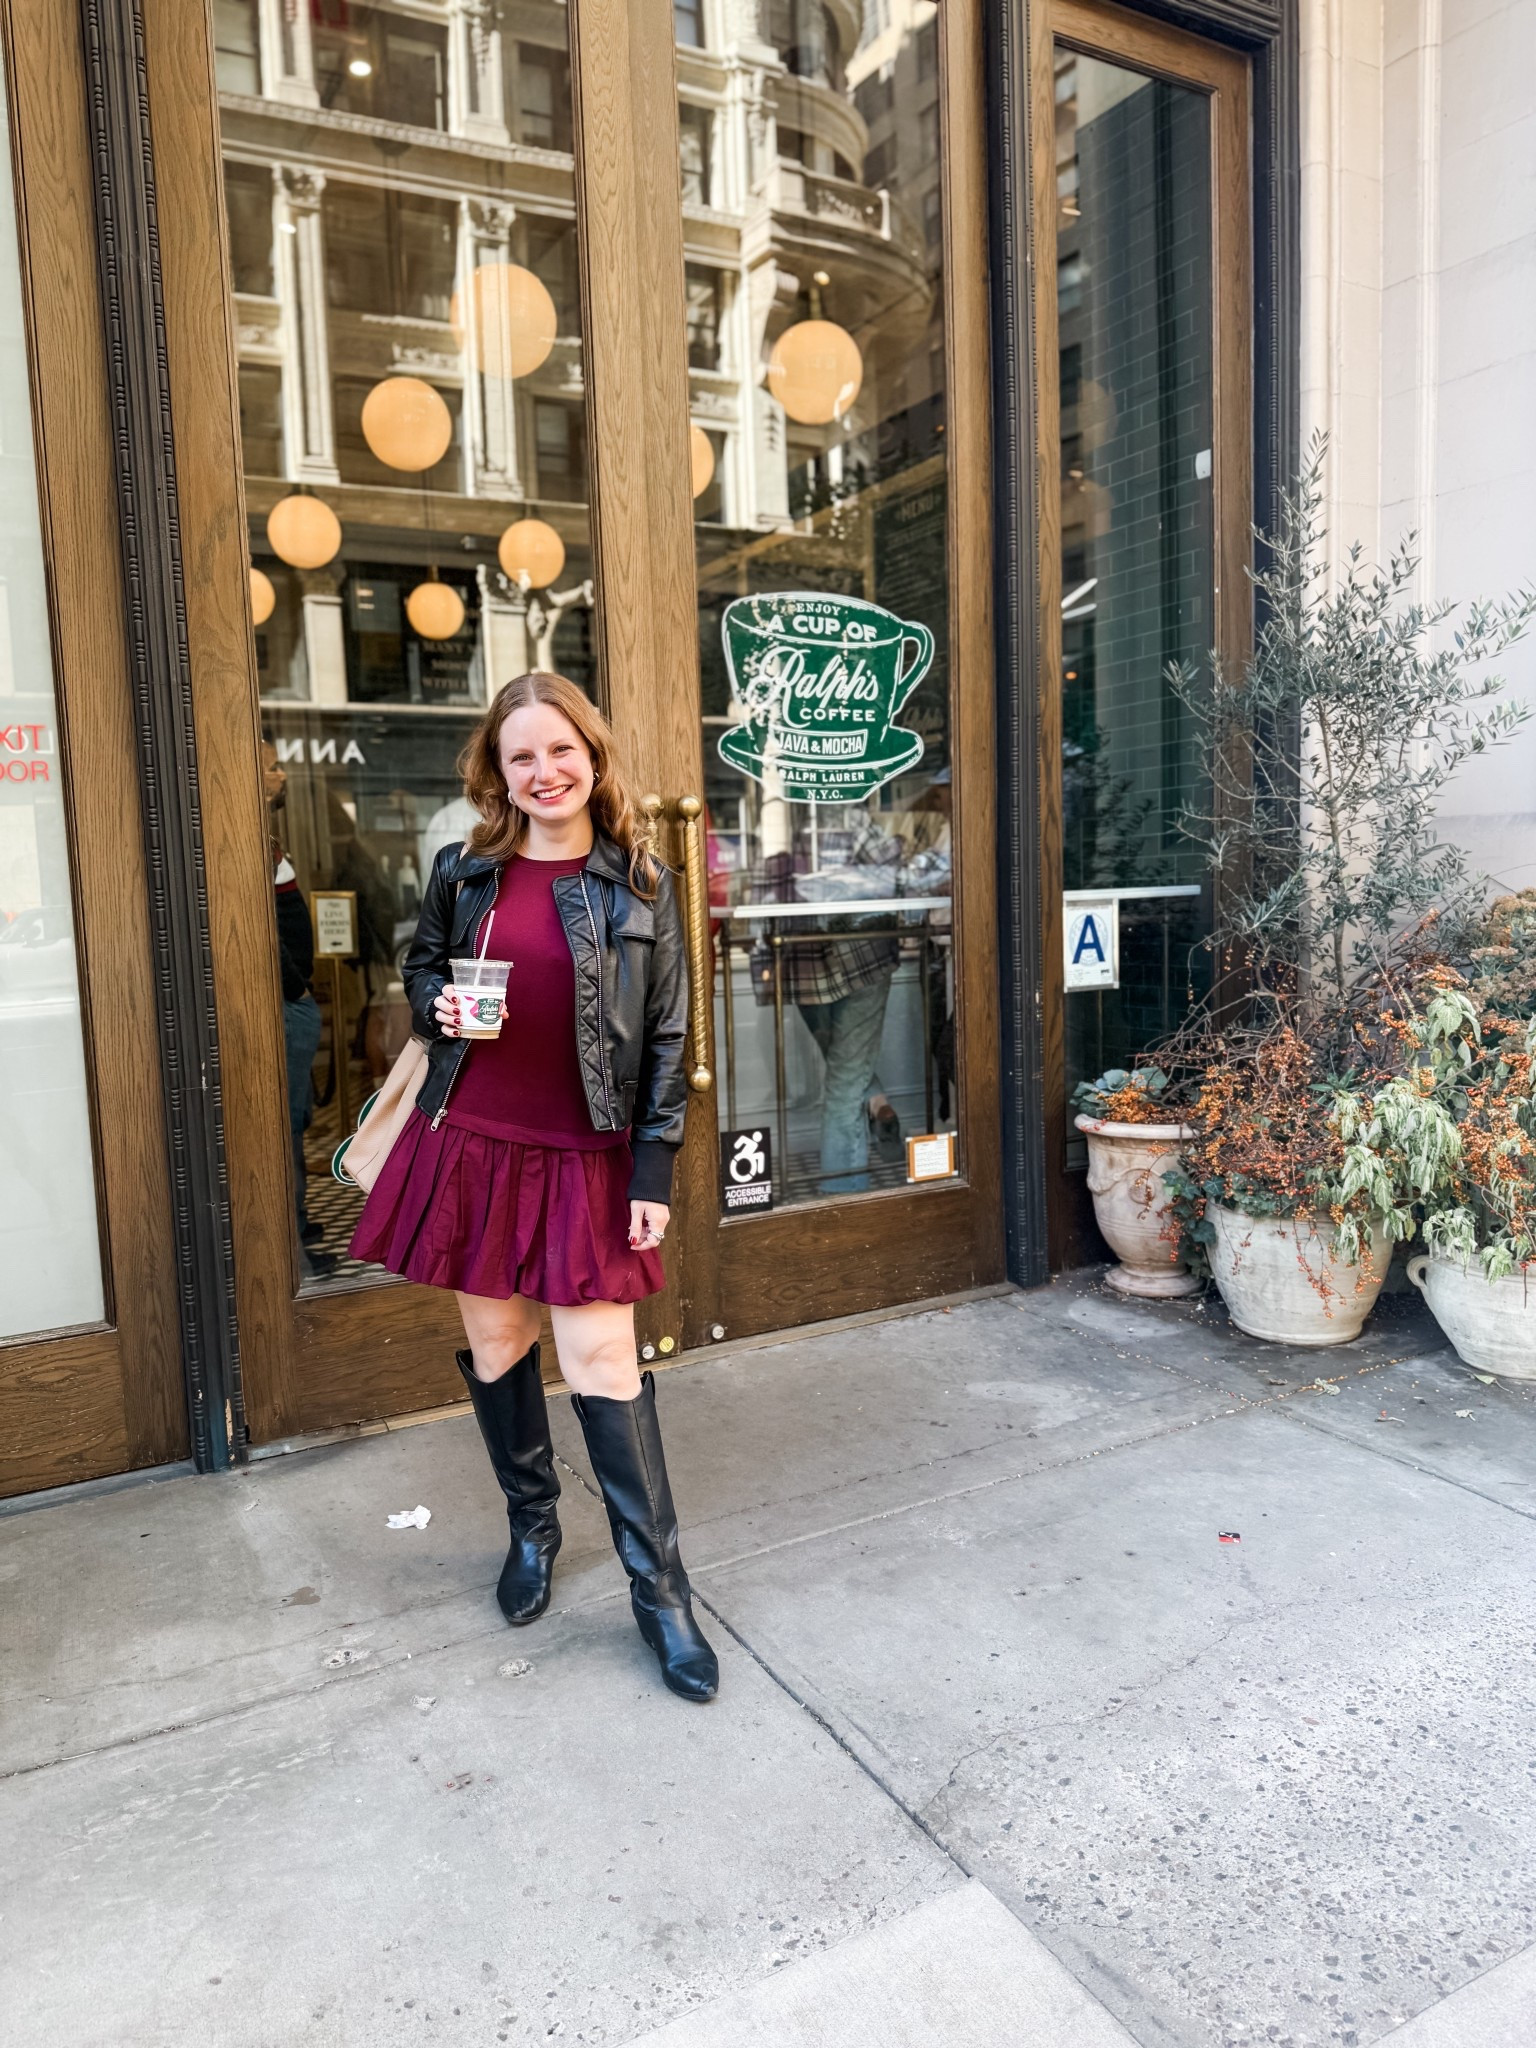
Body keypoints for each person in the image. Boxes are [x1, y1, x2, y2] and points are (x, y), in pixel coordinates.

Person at [349, 671, 717, 1703]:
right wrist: (439, 1001)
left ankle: (661, 1592)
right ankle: (533, 1526)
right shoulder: (463, 870)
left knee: (603, 1358)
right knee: (501, 1342)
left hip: (588, 1151)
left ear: (591, 757)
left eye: (561, 749)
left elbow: (669, 1035)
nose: (544, 770)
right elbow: (422, 969)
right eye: (522, 755)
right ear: (497, 771)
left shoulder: (641, 882)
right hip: (474, 1140)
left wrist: (654, 1166)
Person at [262, 739, 333, 1273]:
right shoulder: (245, 840)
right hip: (285, 1002)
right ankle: (291, 1248)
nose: (282, 775)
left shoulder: (267, 837)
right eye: (271, 767)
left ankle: (299, 1223)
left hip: (292, 1000)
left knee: (297, 1117)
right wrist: (294, 988)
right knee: (284, 1124)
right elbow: (260, 927)